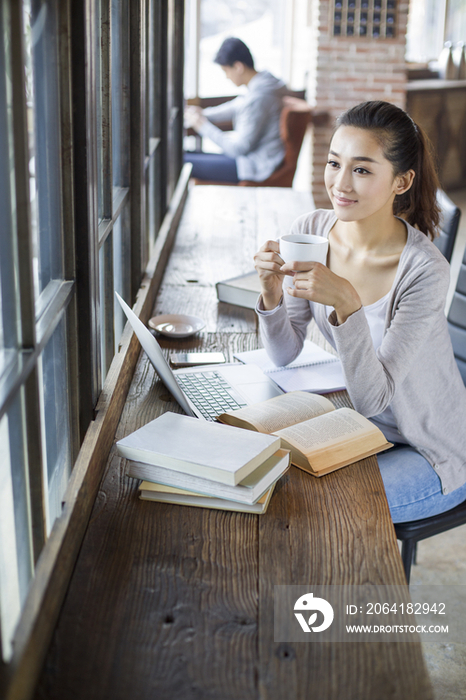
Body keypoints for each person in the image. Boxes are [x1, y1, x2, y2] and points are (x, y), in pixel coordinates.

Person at [253, 100, 466, 524]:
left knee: (313, 510)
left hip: (426, 446)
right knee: (268, 477)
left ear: (402, 181)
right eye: (335, 163)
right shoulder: (312, 231)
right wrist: (271, 293)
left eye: (363, 170)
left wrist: (346, 303)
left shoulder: (424, 271)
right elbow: (283, 353)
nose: (341, 184)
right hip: (359, 425)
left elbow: (374, 398)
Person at [184, 37, 288, 183]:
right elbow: (237, 105)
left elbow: (238, 149)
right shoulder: (264, 82)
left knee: (181, 160)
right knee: (183, 155)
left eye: (226, 70)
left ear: (238, 67)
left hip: (252, 166)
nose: (227, 76)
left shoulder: (259, 96)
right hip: (249, 160)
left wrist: (202, 126)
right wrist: (203, 114)